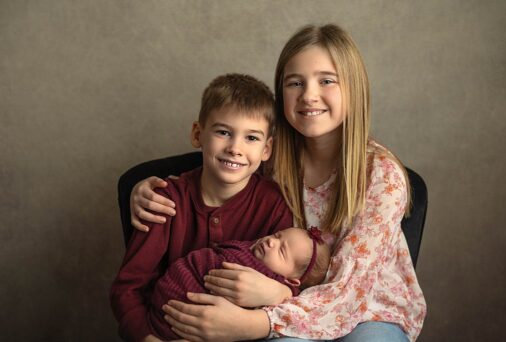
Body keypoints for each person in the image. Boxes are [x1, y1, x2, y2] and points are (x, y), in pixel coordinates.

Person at [129, 24, 426, 341]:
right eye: (295, 83)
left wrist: (253, 324)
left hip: (369, 310)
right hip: (283, 306)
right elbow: (214, 182)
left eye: (326, 80)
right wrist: (146, 189)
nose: (309, 95)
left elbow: (349, 292)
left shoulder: (380, 174)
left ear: (354, 89)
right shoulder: (269, 159)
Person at [110, 73, 295, 342]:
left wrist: (281, 292)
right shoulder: (162, 201)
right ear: (198, 134)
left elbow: (290, 282)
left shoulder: (274, 204)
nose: (235, 148)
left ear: (267, 149)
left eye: (251, 138)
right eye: (223, 132)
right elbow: (127, 290)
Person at [146, 227, 331, 341]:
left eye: (282, 251)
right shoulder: (249, 249)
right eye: (277, 235)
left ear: (291, 280)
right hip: (173, 294)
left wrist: (285, 292)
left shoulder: (268, 282)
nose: (271, 242)